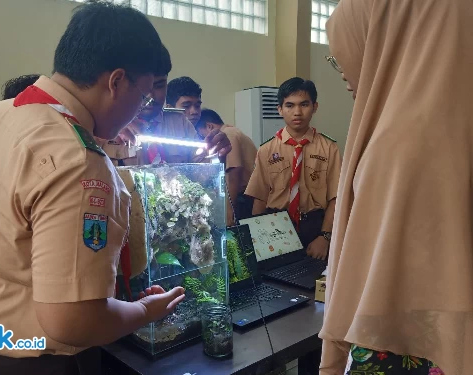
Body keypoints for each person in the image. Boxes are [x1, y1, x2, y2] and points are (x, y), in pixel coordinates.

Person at [0, 3, 187, 374]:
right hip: (27, 362)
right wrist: (144, 311)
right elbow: (72, 321)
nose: (141, 109)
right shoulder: (78, 162)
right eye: (145, 95)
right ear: (116, 82)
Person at [319, 1, 473, 374]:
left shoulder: (399, 143)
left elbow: (380, 269)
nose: (342, 73)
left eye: (342, 56)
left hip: (409, 338)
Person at [245, 77, 341, 261]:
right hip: (275, 227)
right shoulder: (266, 150)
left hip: (314, 226)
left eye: (304, 104)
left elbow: (336, 198)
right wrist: (257, 240)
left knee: (313, 282)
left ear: (315, 107)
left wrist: (325, 237)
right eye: (289, 105)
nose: (297, 112)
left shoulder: (329, 148)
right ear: (280, 109)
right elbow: (260, 198)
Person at [103, 46, 231, 165]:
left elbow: (203, 176)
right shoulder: (108, 125)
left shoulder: (180, 123)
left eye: (159, 86)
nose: (150, 96)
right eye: (143, 87)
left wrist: (217, 155)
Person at [195, 108, 257, 226]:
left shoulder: (228, 135)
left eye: (200, 134)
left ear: (209, 126)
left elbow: (234, 172)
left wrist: (229, 211)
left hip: (244, 199)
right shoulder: (233, 131)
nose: (202, 139)